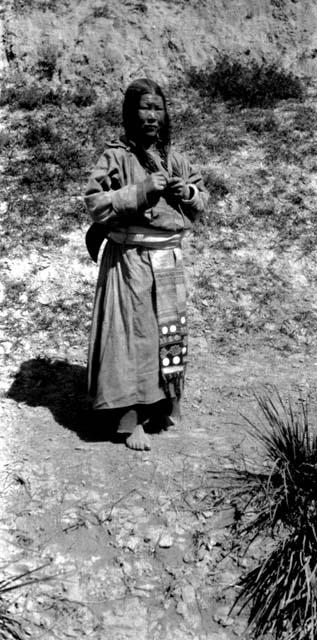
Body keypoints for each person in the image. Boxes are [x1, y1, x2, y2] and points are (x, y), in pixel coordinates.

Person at [84, 78, 208, 451]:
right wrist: (141, 191)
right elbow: (94, 201)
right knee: (134, 340)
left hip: (168, 259)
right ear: (130, 113)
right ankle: (129, 419)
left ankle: (164, 404)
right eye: (144, 108)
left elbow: (201, 197)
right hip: (131, 259)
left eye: (158, 108)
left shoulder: (176, 158)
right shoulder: (116, 156)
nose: (152, 116)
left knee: (167, 337)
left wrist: (186, 192)